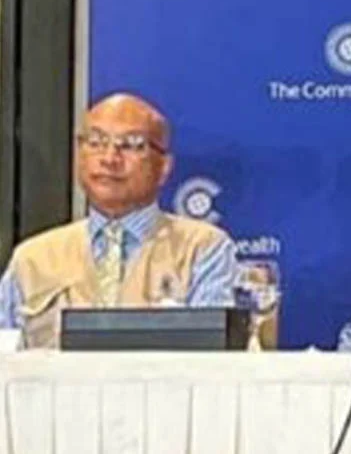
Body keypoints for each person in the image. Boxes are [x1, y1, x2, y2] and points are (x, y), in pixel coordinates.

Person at [0, 93, 237, 348]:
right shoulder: (32, 258)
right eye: (96, 142)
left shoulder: (202, 249)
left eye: (132, 145)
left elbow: (212, 357)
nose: (110, 159)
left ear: (164, 166)